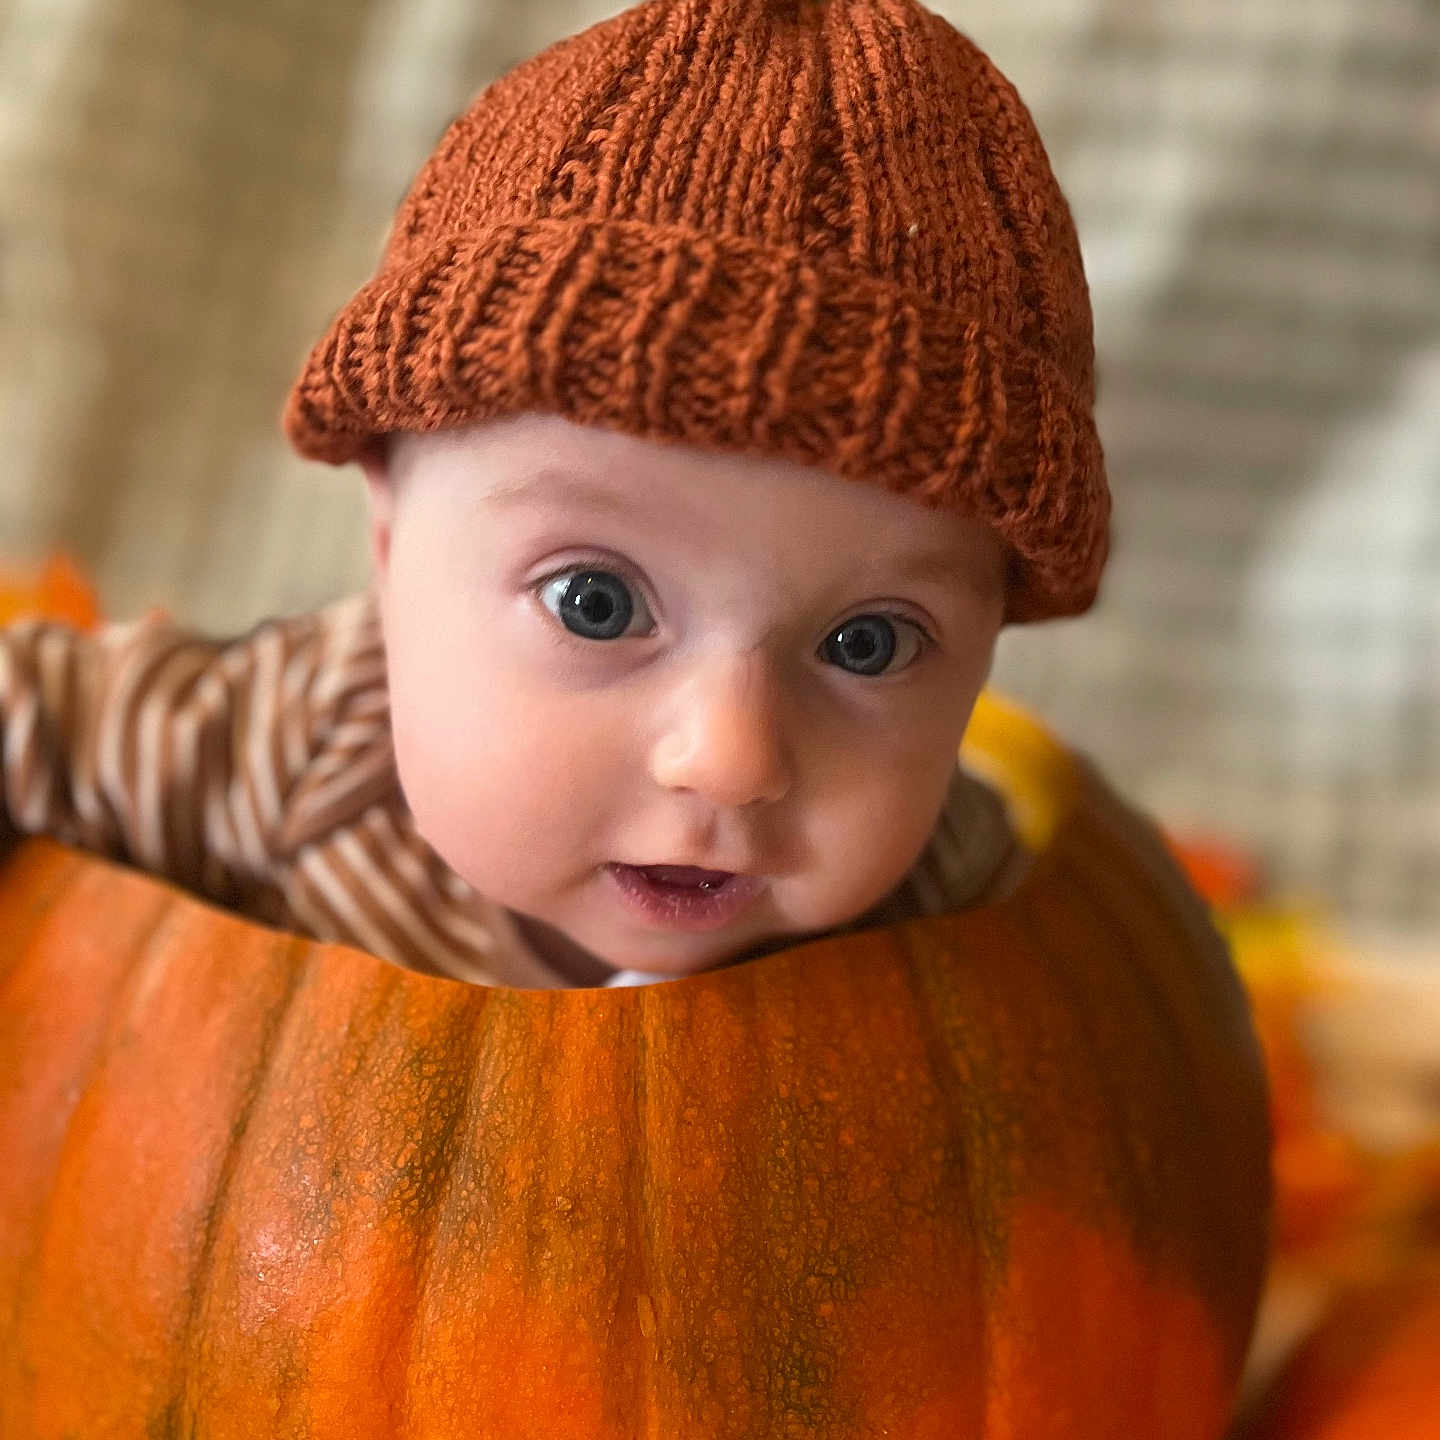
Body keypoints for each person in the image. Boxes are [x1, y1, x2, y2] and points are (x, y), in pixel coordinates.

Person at [0, 0, 1151, 992]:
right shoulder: (302, 738)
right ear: (392, 545)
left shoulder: (975, 921)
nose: (730, 757)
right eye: (594, 602)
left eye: (868, 643)